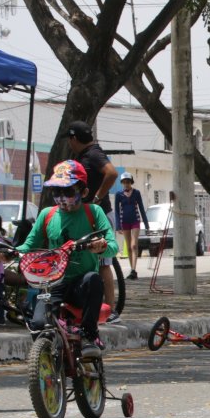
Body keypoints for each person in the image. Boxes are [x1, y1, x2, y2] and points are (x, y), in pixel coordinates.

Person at [16, 160, 117, 359]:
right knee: (37, 325)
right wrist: (6, 252)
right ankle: (48, 367)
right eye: (56, 192)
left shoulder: (94, 212)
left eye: (68, 192)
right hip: (53, 283)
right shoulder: (47, 214)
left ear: (84, 192)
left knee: (93, 279)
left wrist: (101, 246)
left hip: (81, 284)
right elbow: (27, 246)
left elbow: (112, 246)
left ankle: (89, 335)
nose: (62, 198)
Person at [64, 121, 119, 310]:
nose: (69, 144)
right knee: (90, 263)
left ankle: (110, 309)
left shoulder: (93, 153)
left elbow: (111, 173)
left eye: (70, 140)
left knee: (104, 263)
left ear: (74, 138)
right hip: (88, 215)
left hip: (99, 215)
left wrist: (97, 198)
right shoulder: (82, 156)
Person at [114, 172, 149, 279]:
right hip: (124, 221)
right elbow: (116, 211)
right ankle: (132, 270)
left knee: (134, 245)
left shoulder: (136, 193)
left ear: (131, 182)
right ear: (122, 183)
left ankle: (134, 269)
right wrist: (118, 226)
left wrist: (146, 223)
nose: (126, 184)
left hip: (135, 221)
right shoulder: (118, 194)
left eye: (128, 182)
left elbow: (141, 208)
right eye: (124, 182)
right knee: (129, 246)